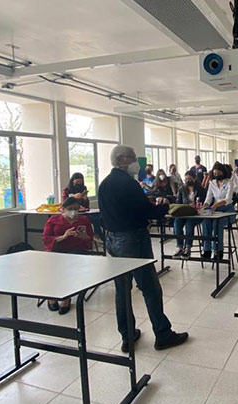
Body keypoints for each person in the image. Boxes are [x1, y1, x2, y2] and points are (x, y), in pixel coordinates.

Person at [98, 145, 188, 352]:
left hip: (113, 239)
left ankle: (127, 336)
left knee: (122, 290)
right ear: (121, 160)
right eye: (132, 158)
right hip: (133, 239)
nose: (136, 163)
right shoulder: (128, 183)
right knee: (149, 286)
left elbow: (105, 215)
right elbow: (147, 211)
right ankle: (163, 334)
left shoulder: (105, 184)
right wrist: (166, 206)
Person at [41, 197, 93, 314]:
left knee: (70, 266)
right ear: (63, 209)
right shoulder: (53, 220)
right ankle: (51, 295)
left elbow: (90, 239)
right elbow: (45, 239)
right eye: (70, 209)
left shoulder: (84, 220)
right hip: (57, 250)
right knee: (51, 267)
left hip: (77, 250)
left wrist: (82, 237)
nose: (73, 212)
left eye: (76, 209)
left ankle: (66, 297)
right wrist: (63, 237)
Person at [202, 162, 237, 261]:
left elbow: (228, 199)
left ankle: (218, 251)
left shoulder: (229, 182)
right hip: (215, 210)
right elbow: (208, 199)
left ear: (223, 172)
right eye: (215, 174)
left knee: (217, 224)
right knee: (205, 222)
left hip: (228, 211)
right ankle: (207, 250)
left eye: (218, 174)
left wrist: (215, 205)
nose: (216, 176)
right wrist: (204, 207)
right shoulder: (212, 183)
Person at [172, 172, 206, 258]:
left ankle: (188, 247)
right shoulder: (182, 189)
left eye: (189, 178)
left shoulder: (201, 189)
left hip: (197, 214)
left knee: (189, 224)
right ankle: (179, 246)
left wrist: (196, 205)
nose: (187, 181)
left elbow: (204, 202)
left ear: (194, 179)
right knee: (177, 222)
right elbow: (178, 202)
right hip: (185, 213)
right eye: (186, 179)